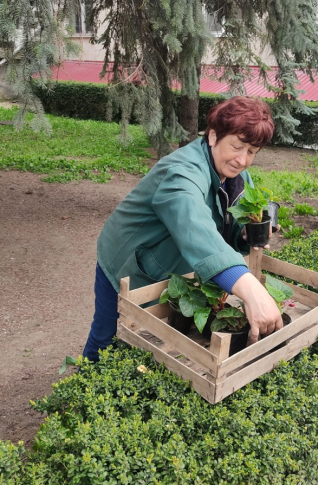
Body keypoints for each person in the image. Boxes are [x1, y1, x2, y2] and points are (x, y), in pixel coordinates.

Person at [82, 96, 282, 362]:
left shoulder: (236, 175)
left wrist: (244, 234)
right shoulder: (181, 173)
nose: (242, 160)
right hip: (126, 260)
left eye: (252, 152)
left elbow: (226, 221)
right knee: (106, 336)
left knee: (145, 339)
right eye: (236, 146)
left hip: (169, 261)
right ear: (213, 136)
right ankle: (86, 374)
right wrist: (252, 291)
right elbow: (195, 228)